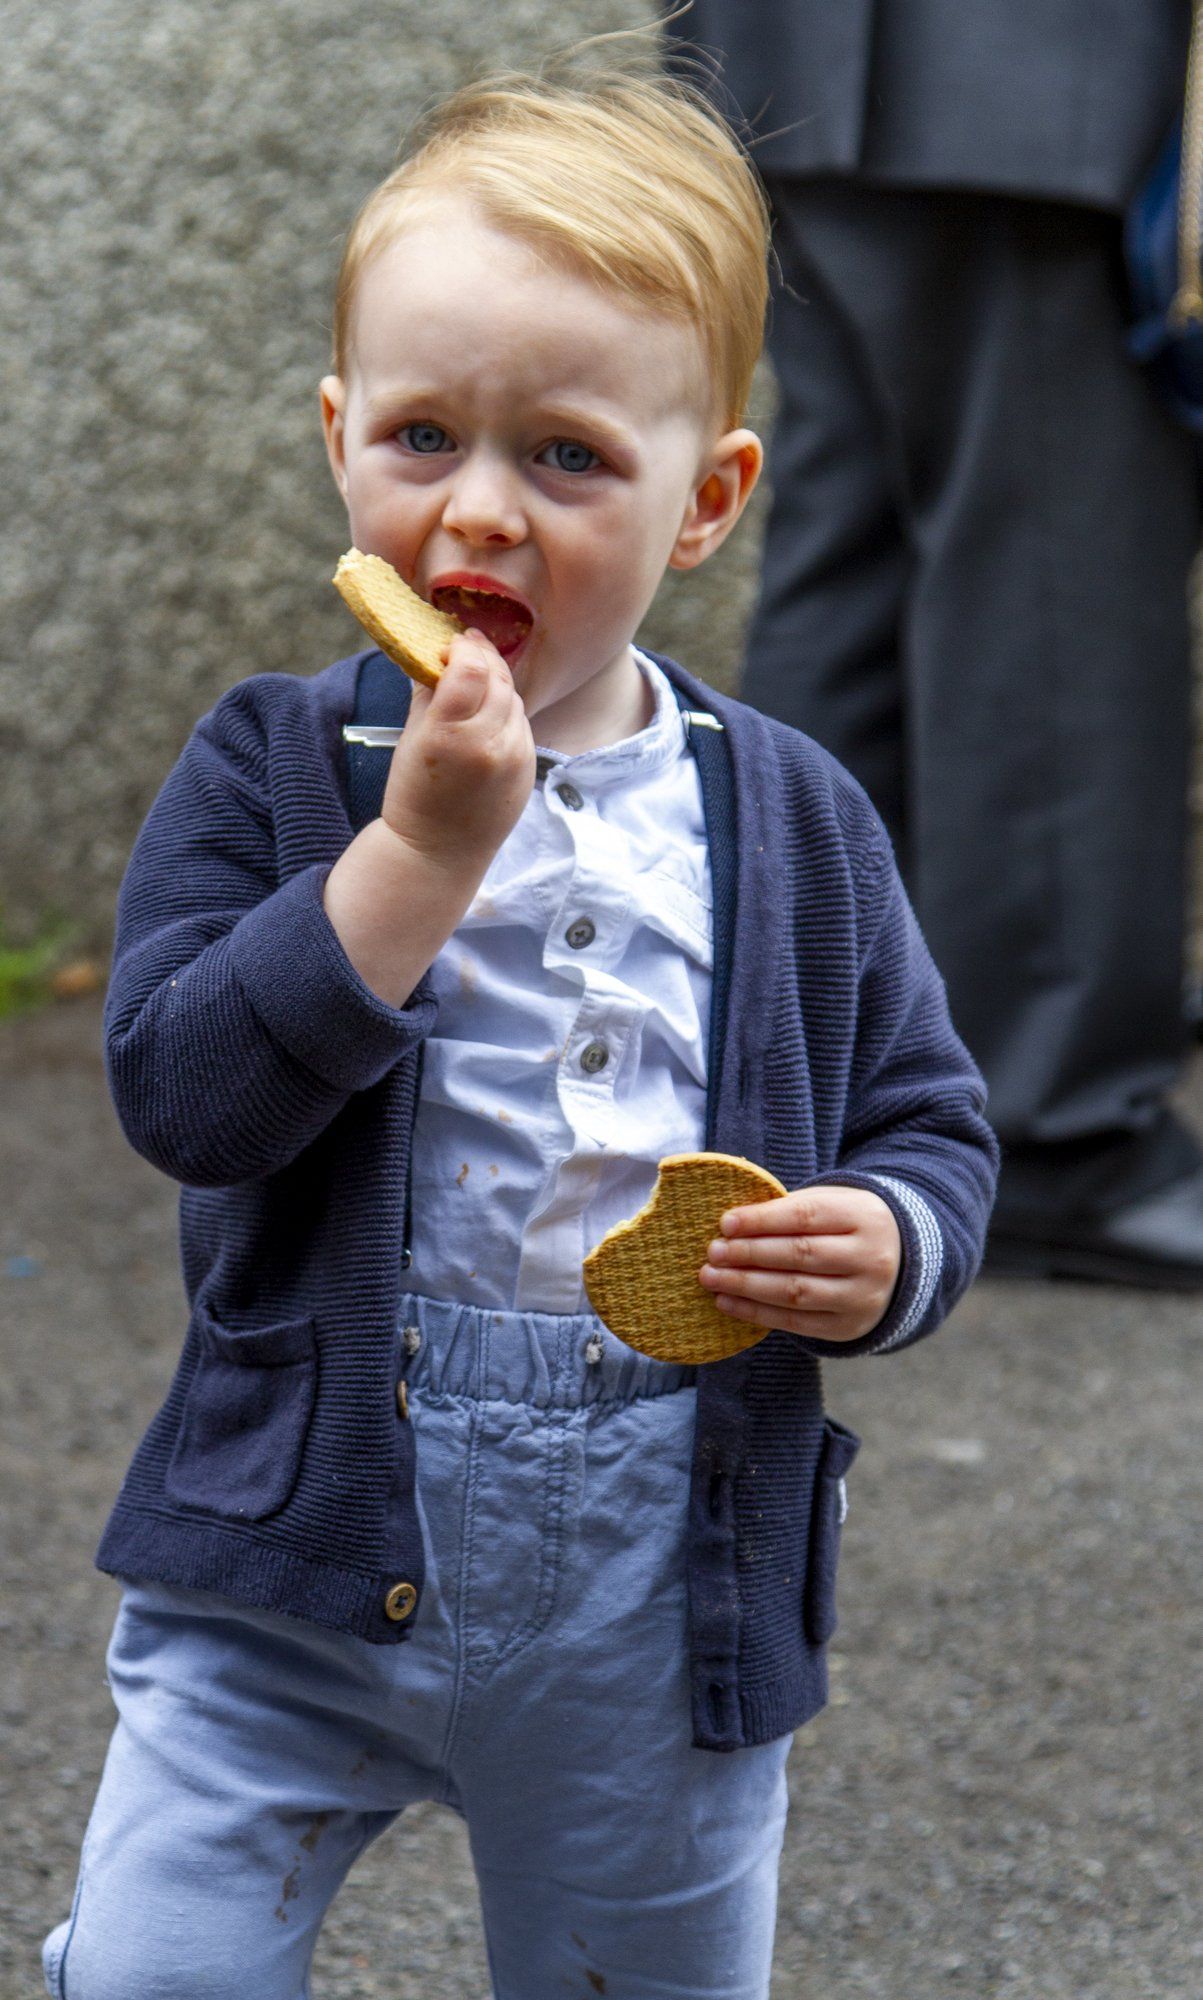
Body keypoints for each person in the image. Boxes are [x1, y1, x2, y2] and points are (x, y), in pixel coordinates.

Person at [43, 57, 996, 2000]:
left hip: (655, 1572)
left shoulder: (791, 815)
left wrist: (888, 1243)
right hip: (293, 1542)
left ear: (708, 498)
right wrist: (411, 862)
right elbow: (184, 1093)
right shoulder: (280, 759)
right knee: (163, 1970)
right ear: (334, 439)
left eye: (565, 455)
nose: (476, 508)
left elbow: (930, 1124)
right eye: (419, 435)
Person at [671, 2, 1203, 1287]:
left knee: (856, 542)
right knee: (1056, 567)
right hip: (1012, 77)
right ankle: (1047, 1117)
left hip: (797, 53)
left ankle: (802, 1058)